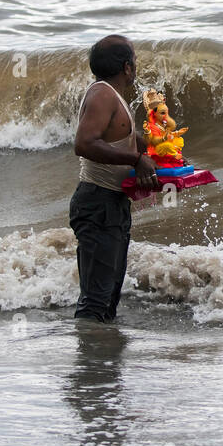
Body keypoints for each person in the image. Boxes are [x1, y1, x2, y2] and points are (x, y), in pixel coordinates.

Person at [69, 35, 159, 321]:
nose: (136, 65)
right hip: (97, 204)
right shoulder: (103, 94)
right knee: (96, 301)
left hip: (111, 204)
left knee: (108, 299)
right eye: (134, 60)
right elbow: (84, 143)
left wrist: (154, 150)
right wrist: (135, 159)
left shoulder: (110, 94)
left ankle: (102, 362)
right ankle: (89, 362)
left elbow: (117, 138)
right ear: (127, 68)